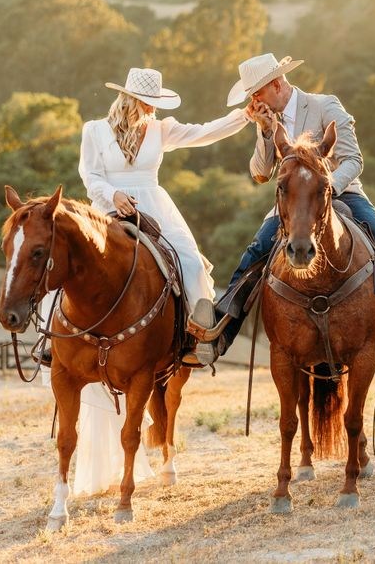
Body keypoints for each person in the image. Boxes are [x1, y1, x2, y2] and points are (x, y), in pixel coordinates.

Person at [66, 66, 249, 494]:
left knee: (190, 260)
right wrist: (111, 195)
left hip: (156, 206)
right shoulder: (94, 130)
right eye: (146, 102)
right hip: (110, 208)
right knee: (74, 264)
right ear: (127, 98)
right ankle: (53, 339)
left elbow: (205, 132)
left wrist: (245, 116)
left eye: (154, 103)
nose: (150, 108)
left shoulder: (161, 129)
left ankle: (194, 335)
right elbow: (89, 175)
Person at [184, 53, 375, 366]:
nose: (255, 101)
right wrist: (264, 131)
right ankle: (221, 335)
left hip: (342, 193)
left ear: (276, 84)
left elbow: (354, 160)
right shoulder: (267, 120)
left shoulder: (324, 105)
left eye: (257, 94)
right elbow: (260, 174)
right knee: (256, 250)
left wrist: (326, 187)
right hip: (293, 203)